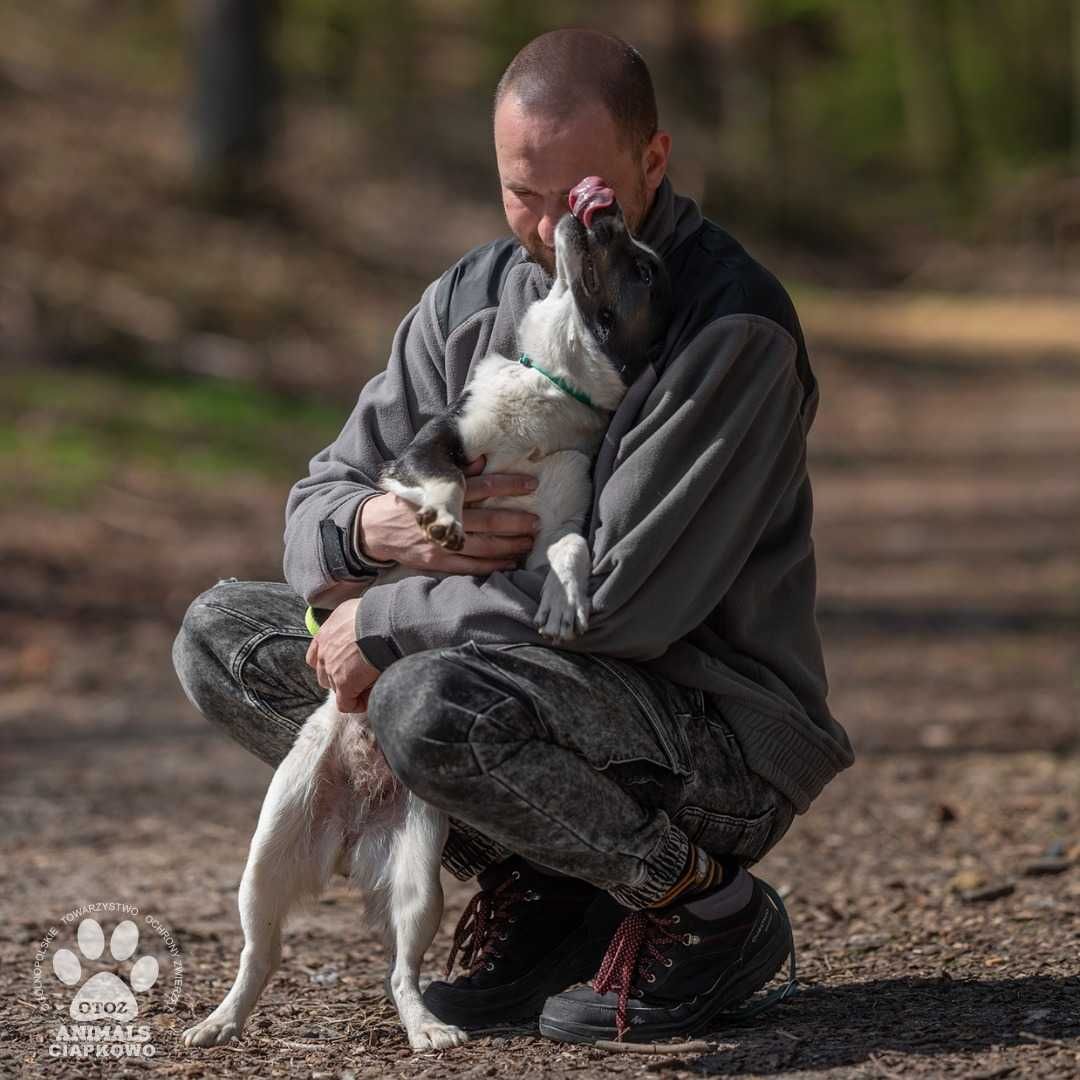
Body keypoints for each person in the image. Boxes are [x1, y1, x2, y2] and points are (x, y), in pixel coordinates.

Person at [173, 28, 854, 1044]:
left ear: (654, 161)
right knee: (223, 637)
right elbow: (317, 507)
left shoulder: (727, 329)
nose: (543, 229)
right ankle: (552, 883)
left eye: (575, 194)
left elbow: (616, 605)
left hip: (708, 731)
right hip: (519, 682)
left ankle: (701, 905)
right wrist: (388, 529)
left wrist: (394, 619)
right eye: (518, 193)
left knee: (421, 695)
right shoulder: (469, 296)